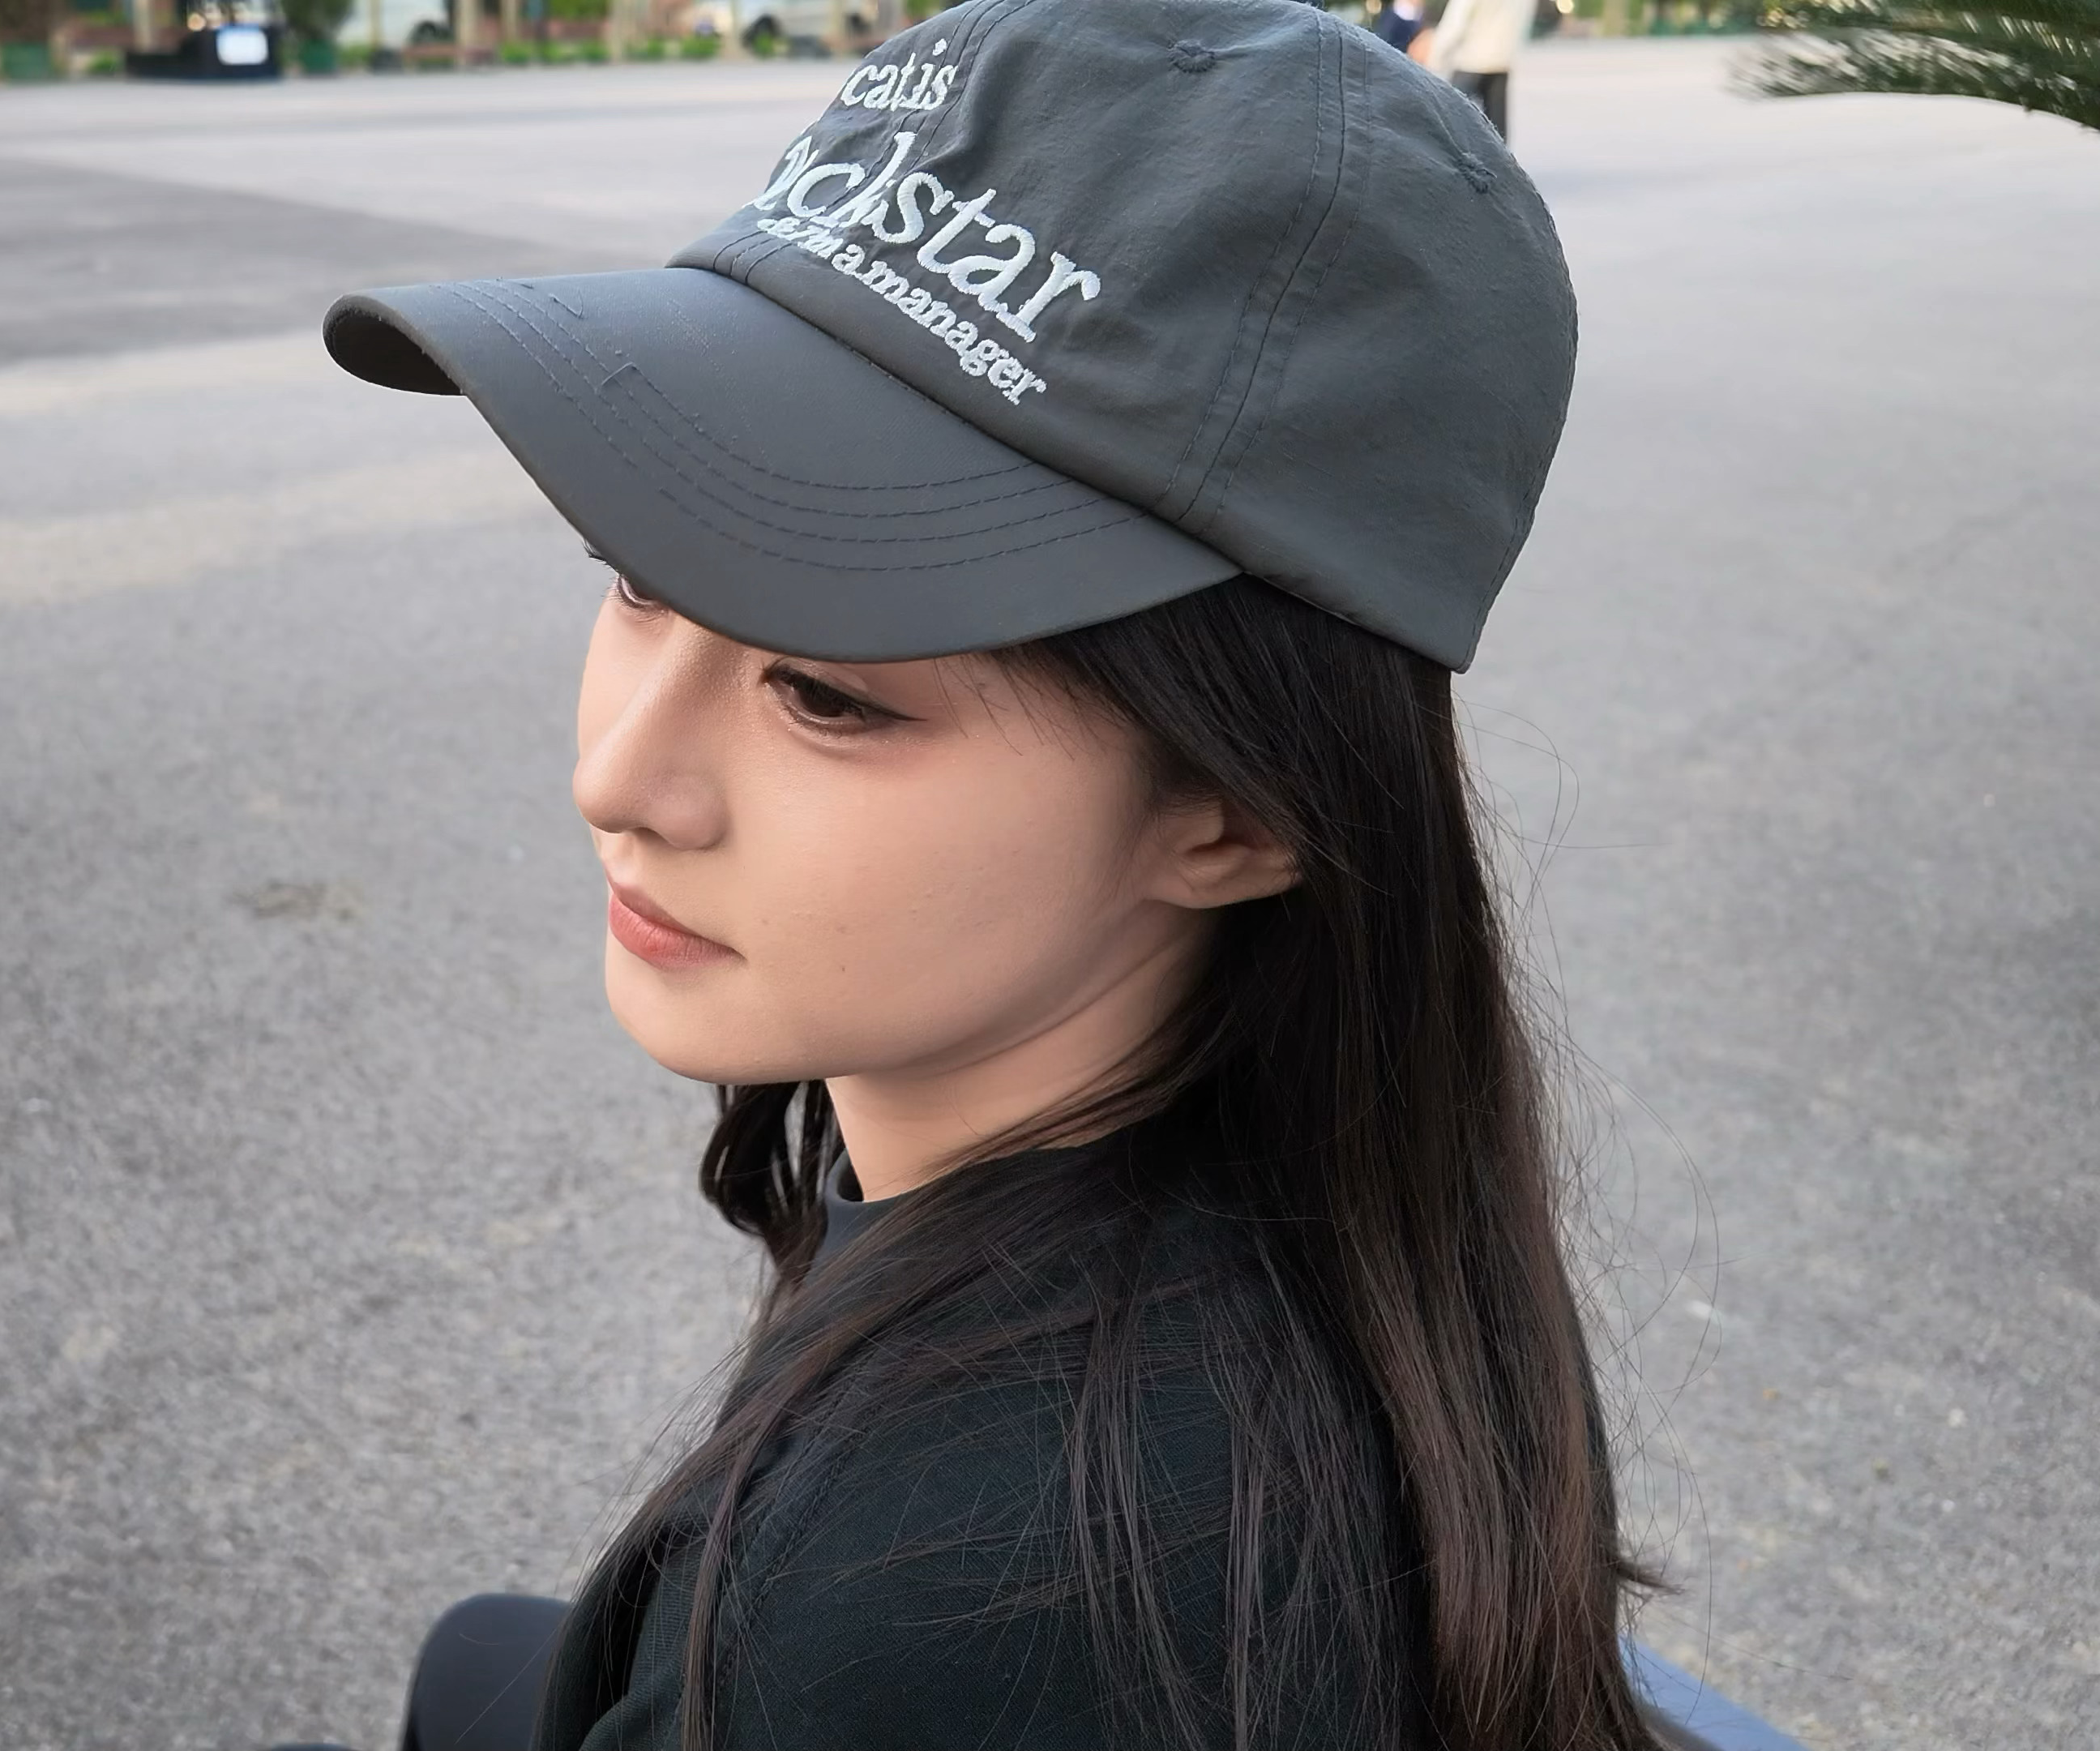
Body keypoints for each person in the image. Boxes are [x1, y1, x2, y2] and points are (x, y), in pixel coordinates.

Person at [310, 0, 1659, 1745]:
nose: (617, 778)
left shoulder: (929, 1615)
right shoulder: (1352, 1209)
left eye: (828, 694)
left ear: (1240, 817)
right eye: (637, 574)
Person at [1419, 0, 1539, 136]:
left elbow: (1456, 23)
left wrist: (1435, 57)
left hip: (1470, 61)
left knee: (1449, 119)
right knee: (1497, 130)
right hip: (1501, 61)